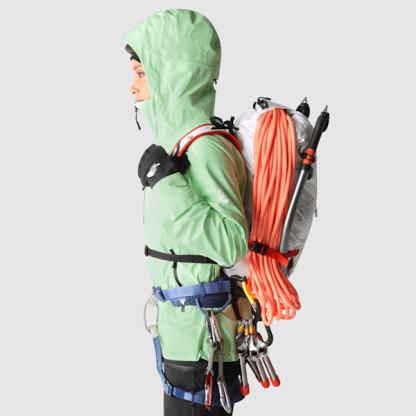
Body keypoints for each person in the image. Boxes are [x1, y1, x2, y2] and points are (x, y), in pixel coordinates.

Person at [122, 9, 252, 415]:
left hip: (204, 341)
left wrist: (166, 183)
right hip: (181, 334)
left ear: (172, 74)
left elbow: (231, 243)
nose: (132, 86)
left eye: (141, 73)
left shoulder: (206, 147)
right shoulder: (178, 146)